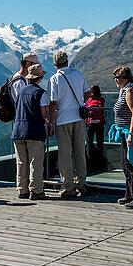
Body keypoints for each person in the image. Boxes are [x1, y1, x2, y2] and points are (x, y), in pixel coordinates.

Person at [47, 50, 91, 198]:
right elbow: (88, 93)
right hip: (79, 118)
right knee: (79, 151)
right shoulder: (78, 74)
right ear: (67, 61)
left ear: (55, 64)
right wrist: (80, 102)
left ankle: (69, 186)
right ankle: (82, 185)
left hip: (63, 119)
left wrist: (51, 123)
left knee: (65, 154)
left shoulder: (54, 79)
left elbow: (53, 103)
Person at [107, 66, 133, 209]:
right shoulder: (125, 90)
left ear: (126, 78)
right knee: (126, 164)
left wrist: (131, 134)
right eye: (115, 77)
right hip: (125, 133)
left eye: (118, 77)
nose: (116, 80)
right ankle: (130, 195)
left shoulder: (130, 90)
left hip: (132, 134)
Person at [12, 63, 51, 200]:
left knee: (21, 162)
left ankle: (22, 189)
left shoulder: (21, 91)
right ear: (39, 78)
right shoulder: (41, 93)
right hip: (35, 131)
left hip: (18, 131)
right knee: (35, 162)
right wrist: (47, 122)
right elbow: (43, 114)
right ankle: (36, 190)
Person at [85, 85, 106, 174]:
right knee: (100, 143)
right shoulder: (102, 100)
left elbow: (84, 107)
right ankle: (100, 165)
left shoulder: (88, 101)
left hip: (90, 124)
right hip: (100, 124)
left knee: (89, 144)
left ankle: (90, 165)